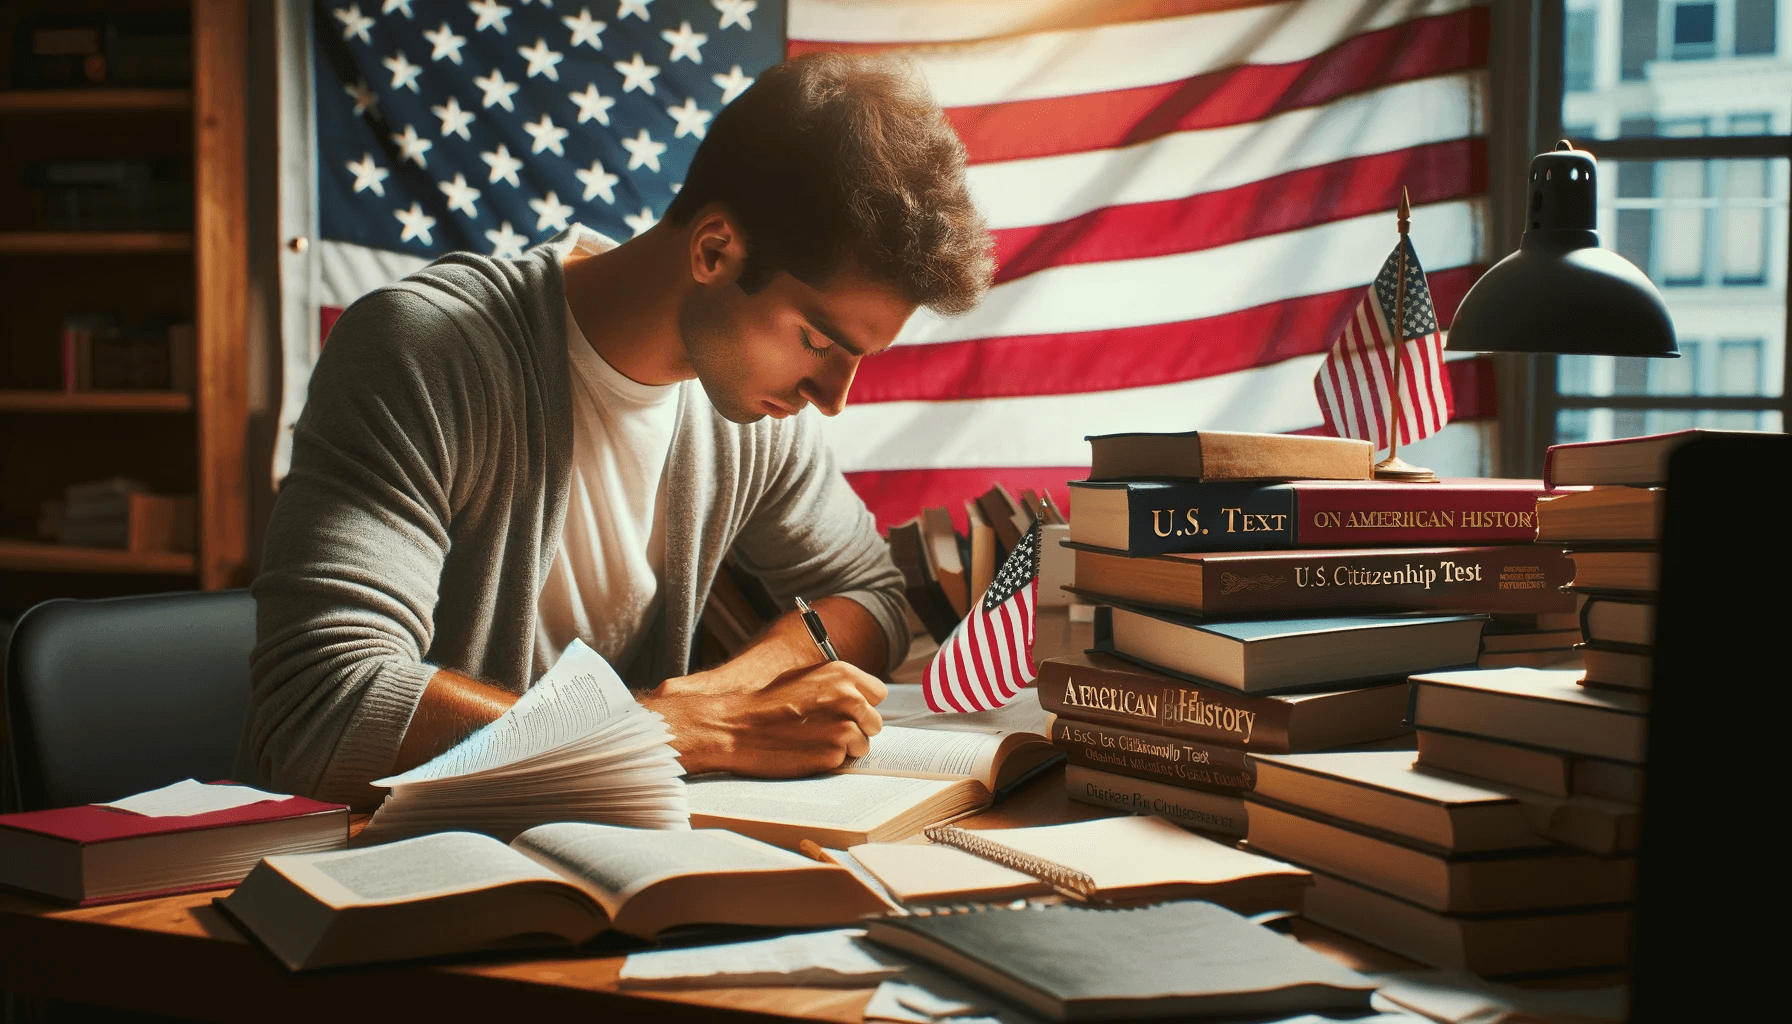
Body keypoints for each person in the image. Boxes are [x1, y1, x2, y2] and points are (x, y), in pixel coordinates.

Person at [237, 53, 993, 809]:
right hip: (400, 865)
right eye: (821, 343)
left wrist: (726, 690)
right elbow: (320, 712)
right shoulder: (423, 352)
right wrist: (685, 731)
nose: (833, 398)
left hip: (621, 851)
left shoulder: (751, 411)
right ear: (714, 251)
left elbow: (871, 594)